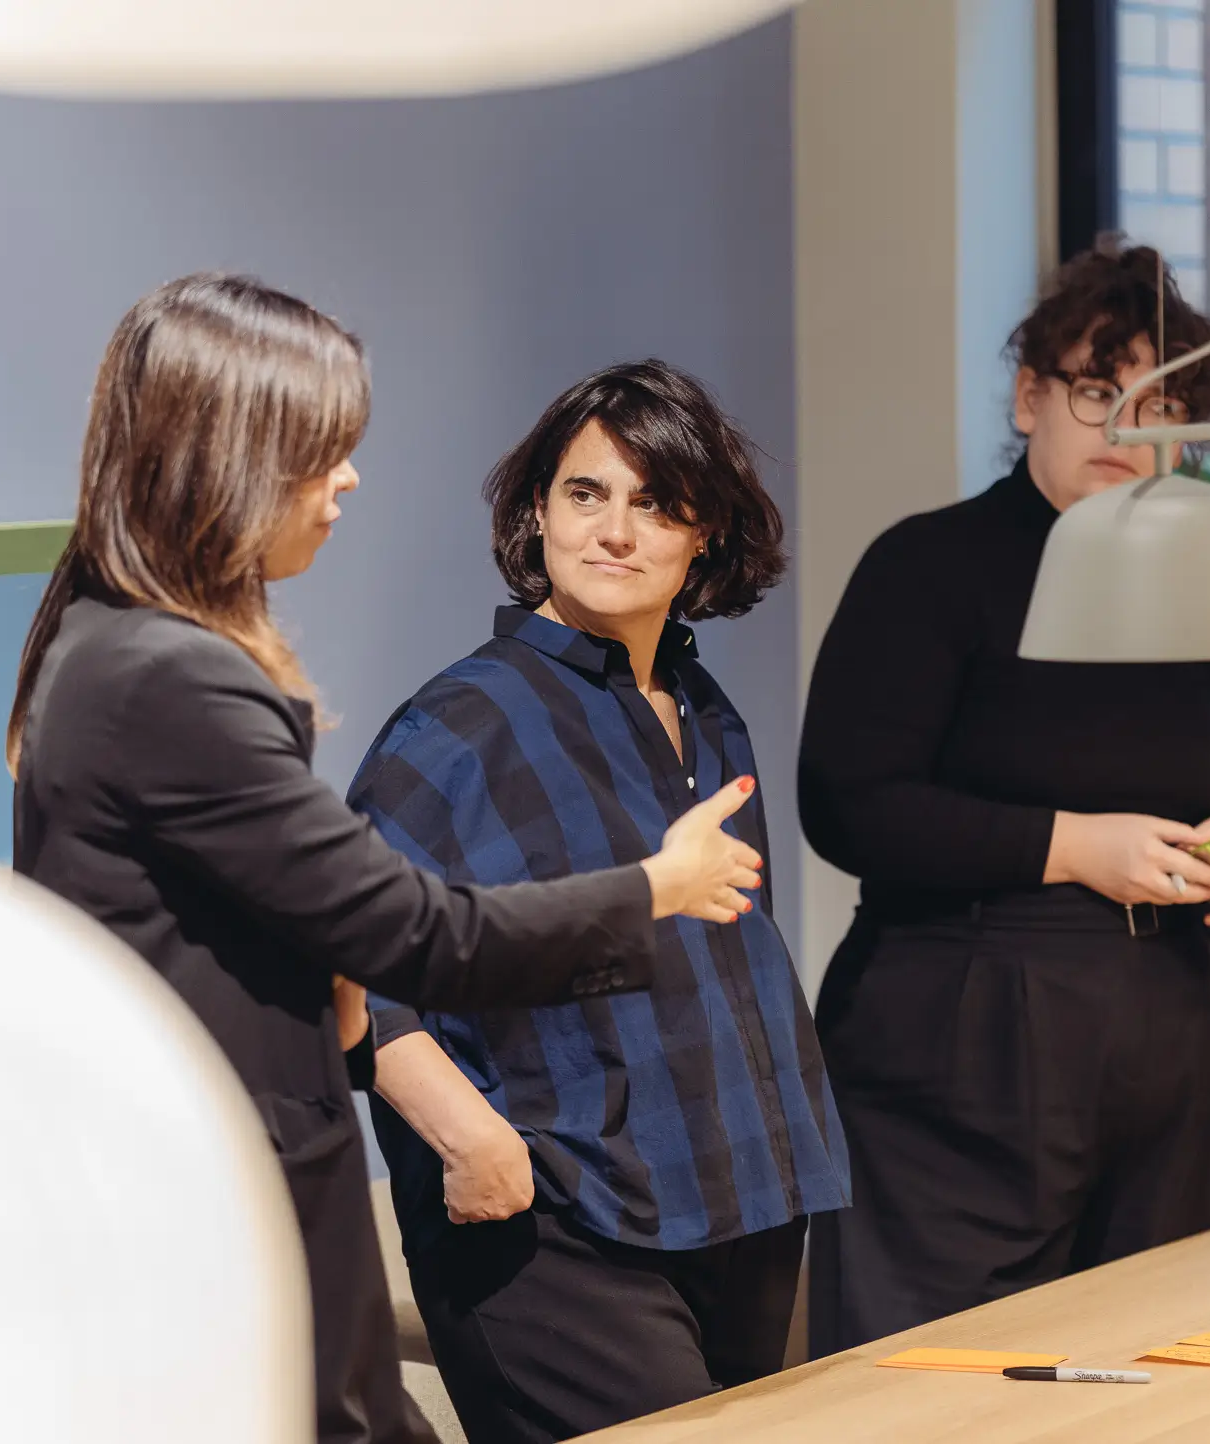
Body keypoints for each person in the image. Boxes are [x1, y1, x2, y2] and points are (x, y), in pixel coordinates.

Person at [8, 279, 765, 1444]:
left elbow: (306, 928)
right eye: (323, 452)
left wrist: (341, 998)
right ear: (227, 455)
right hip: (232, 1188)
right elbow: (415, 930)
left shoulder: (116, 647)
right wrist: (654, 888)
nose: (348, 479)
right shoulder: (174, 677)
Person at [350, 360, 851, 1443]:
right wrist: (471, 1139)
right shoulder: (457, 725)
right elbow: (349, 970)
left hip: (742, 1199)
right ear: (539, 511)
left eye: (656, 503)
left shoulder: (702, 706)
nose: (615, 530)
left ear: (704, 533)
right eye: (586, 494)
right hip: (558, 1223)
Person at [800, 239, 1210, 1358]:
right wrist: (1069, 846)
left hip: (1179, 1009)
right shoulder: (929, 565)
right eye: (1097, 391)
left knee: (1161, 1353)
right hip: (966, 1022)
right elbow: (848, 802)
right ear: (1031, 397)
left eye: (1162, 404)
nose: (1126, 429)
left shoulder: (1194, 573)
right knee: (947, 1369)